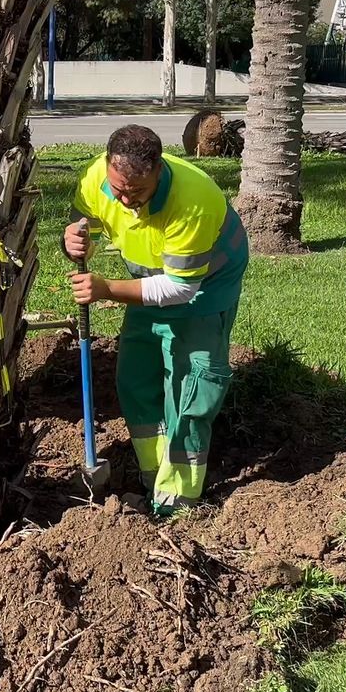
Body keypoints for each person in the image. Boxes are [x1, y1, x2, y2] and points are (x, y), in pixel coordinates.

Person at [62, 124, 248, 514]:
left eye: (137, 191)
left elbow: (180, 289)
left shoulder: (193, 202)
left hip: (206, 285)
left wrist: (107, 289)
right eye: (118, 189)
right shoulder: (98, 178)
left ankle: (179, 500)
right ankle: (153, 476)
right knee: (136, 375)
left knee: (191, 387)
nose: (125, 199)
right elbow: (84, 222)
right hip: (148, 276)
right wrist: (75, 239)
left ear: (158, 171)